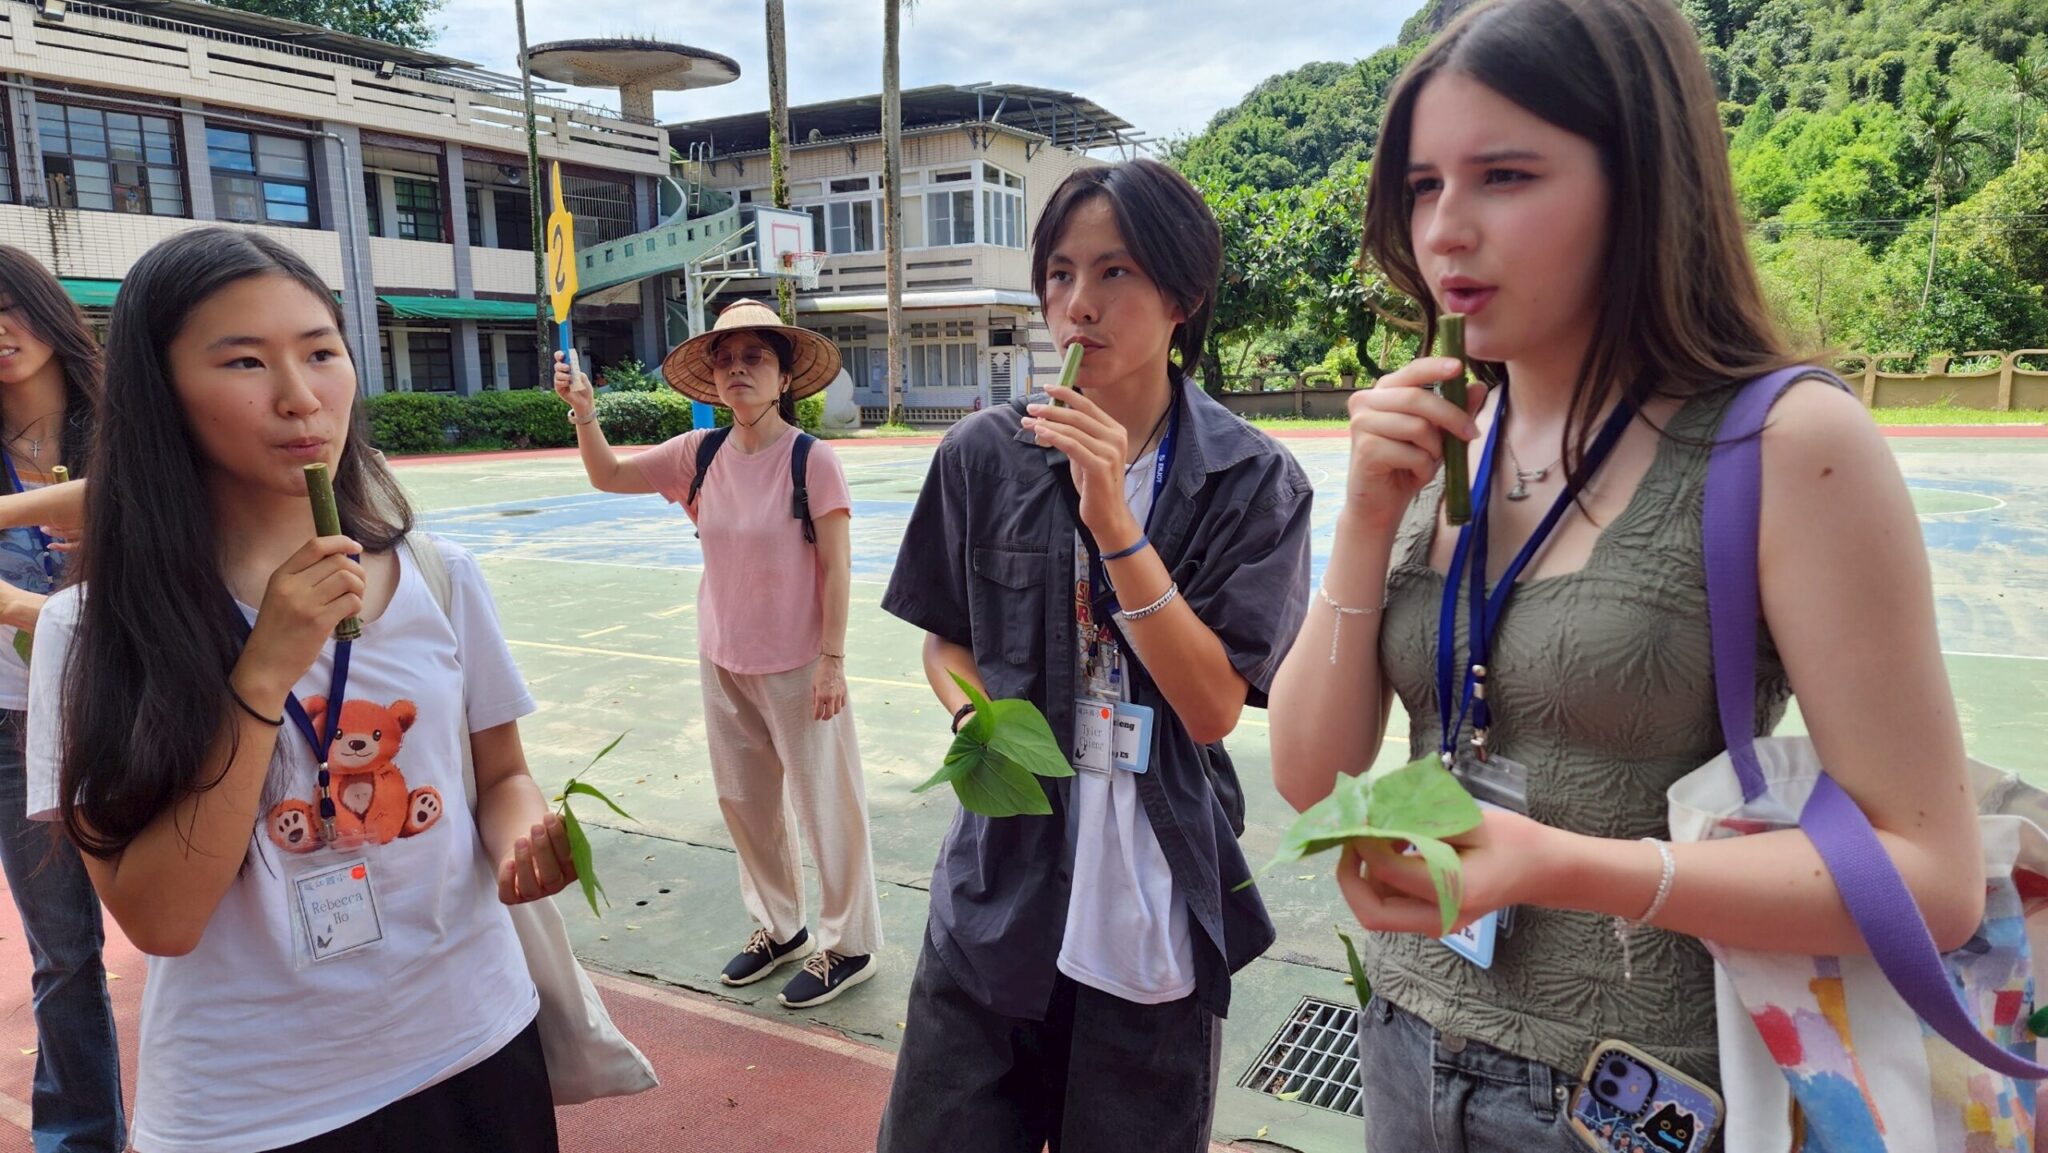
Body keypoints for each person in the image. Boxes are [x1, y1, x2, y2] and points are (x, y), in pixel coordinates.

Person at [1267, 0, 1983, 1146]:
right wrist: (1363, 521)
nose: (1443, 230)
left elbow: (1930, 878)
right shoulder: (1444, 434)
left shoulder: (1783, 442)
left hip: (1636, 1093)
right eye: (1420, 186)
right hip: (1402, 1035)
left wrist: (1558, 867)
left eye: (1503, 175)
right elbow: (1311, 776)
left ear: (1642, 181)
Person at [27, 227, 575, 1153]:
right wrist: (263, 670)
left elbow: (502, 773)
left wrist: (524, 835)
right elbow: (161, 917)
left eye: (321, 351)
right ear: (161, 391)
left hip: (477, 1039)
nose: (300, 394)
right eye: (245, 361)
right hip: (262, 1104)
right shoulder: (89, 632)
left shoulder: (437, 574)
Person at [875, 158, 1313, 1152]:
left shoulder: (1252, 480)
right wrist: (975, 718)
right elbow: (948, 641)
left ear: (1181, 296)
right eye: (1060, 275)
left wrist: (1113, 517)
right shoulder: (983, 454)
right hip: (999, 888)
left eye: (1116, 272)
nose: (1079, 304)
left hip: (1151, 901)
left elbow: (1209, 707)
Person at [551, 300, 883, 1009]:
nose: (737, 369)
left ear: (784, 377)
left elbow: (838, 567)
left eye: (755, 357)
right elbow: (608, 475)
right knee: (746, 803)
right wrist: (584, 413)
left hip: (800, 662)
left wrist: (833, 659)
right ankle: (780, 927)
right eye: (726, 359)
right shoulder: (697, 454)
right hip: (724, 657)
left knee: (826, 805)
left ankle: (850, 943)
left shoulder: (812, 460)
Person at [0, 245, 121, 1153]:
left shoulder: (120, 427)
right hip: (12, 724)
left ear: (43, 308)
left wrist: (28, 604)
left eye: (7, 306)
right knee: (65, 953)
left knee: (220, 918)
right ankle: (81, 1140)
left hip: (127, 708)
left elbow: (163, 525)